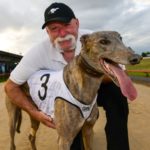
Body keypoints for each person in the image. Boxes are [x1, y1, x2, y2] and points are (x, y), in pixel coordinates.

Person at [5, 2, 129, 150]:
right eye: (54, 29)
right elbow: (10, 86)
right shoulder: (38, 52)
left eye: (66, 25)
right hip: (65, 96)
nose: (62, 34)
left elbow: (121, 71)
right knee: (72, 134)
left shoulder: (95, 40)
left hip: (94, 88)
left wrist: (87, 80)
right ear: (48, 32)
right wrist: (35, 113)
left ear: (77, 23)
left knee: (117, 95)